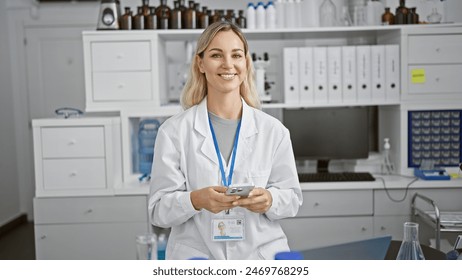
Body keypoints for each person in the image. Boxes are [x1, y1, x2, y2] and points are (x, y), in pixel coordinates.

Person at [148, 21, 302, 260]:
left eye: (236, 55)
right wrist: (195, 200)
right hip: (198, 257)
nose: (228, 64)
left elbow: (292, 199)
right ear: (201, 63)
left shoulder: (274, 131)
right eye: (216, 55)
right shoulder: (174, 132)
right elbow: (158, 211)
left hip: (258, 257)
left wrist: (270, 199)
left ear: (246, 63)